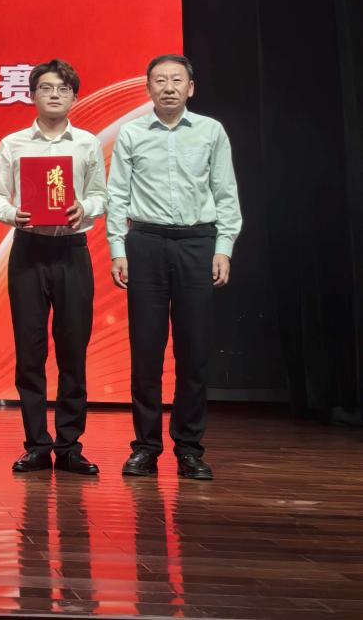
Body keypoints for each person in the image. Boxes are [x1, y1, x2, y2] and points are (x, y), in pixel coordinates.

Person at [108, 54, 241, 481]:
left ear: (191, 88)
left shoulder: (210, 131)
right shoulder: (132, 133)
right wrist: (117, 249)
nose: (168, 87)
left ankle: (189, 448)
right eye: (160, 80)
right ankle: (145, 448)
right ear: (148, 88)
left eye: (176, 80)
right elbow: (117, 196)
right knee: (146, 352)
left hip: (197, 243)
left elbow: (226, 193)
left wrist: (223, 247)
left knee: (194, 351)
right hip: (145, 243)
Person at [0, 59, 108, 476]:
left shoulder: (87, 143)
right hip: (28, 251)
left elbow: (101, 195)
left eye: (63, 89)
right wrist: (12, 214)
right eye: (46, 88)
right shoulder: (13, 143)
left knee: (73, 350)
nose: (54, 95)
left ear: (74, 97)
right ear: (32, 95)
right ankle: (37, 444)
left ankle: (69, 446)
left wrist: (84, 208)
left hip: (72, 251)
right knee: (30, 351)